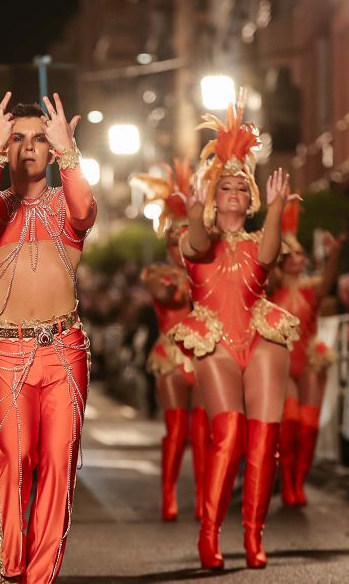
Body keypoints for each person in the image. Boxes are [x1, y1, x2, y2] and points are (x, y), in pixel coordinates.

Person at [0, 89, 96, 583]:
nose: (30, 147)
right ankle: (11, 569)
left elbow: (85, 210)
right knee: (16, 461)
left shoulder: (66, 208)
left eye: (40, 139)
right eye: (18, 139)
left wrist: (70, 152)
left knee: (58, 468)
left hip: (65, 353)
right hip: (8, 352)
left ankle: (39, 579)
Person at [169, 97, 299, 570]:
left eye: (242, 189)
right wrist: (197, 209)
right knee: (228, 434)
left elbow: (267, 255)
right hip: (215, 338)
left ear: (251, 200)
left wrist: (281, 205)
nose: (233, 193)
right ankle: (209, 535)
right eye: (225, 187)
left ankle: (253, 534)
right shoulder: (193, 239)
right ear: (214, 194)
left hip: (259, 334)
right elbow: (199, 245)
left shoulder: (258, 238)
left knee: (266, 439)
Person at [130, 161, 210, 522]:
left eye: (185, 239)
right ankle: (169, 493)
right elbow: (168, 296)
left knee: (205, 432)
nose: (179, 246)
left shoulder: (207, 270)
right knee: (177, 429)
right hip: (172, 356)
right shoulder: (157, 273)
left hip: (205, 354)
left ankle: (206, 498)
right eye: (173, 240)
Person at [268, 201, 342, 507]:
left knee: (309, 427)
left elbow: (328, 281)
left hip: (310, 360)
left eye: (300, 253)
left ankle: (299, 482)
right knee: (290, 425)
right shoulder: (272, 288)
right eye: (290, 254)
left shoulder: (312, 289)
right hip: (284, 362)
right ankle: (286, 482)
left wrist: (334, 253)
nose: (297, 258)